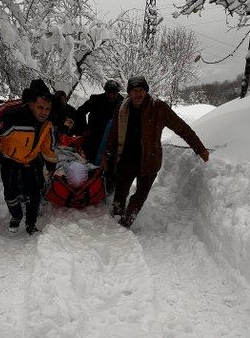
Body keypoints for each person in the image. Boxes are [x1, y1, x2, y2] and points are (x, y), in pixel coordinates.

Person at [102, 75, 209, 228]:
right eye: (134, 90)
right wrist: (106, 157)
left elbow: (182, 128)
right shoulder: (121, 108)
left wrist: (200, 149)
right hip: (126, 159)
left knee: (140, 196)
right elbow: (113, 135)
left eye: (141, 90)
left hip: (149, 161)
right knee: (120, 193)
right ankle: (116, 219)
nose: (138, 94)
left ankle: (125, 224)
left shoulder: (158, 108)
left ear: (146, 91)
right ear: (129, 92)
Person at [0, 86, 57, 234]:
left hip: (31, 160)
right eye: (40, 107)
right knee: (10, 193)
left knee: (34, 194)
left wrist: (51, 165)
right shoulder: (13, 118)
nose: (44, 112)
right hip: (9, 159)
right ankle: (16, 215)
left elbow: (49, 147)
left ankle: (31, 223)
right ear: (31, 104)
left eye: (47, 109)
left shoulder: (48, 124)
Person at [77, 79, 124, 164]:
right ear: (105, 91)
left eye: (114, 93)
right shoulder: (96, 100)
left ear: (118, 92)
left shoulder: (122, 104)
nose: (111, 96)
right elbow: (80, 112)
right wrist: (84, 129)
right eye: (109, 93)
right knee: (87, 164)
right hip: (92, 138)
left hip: (109, 143)